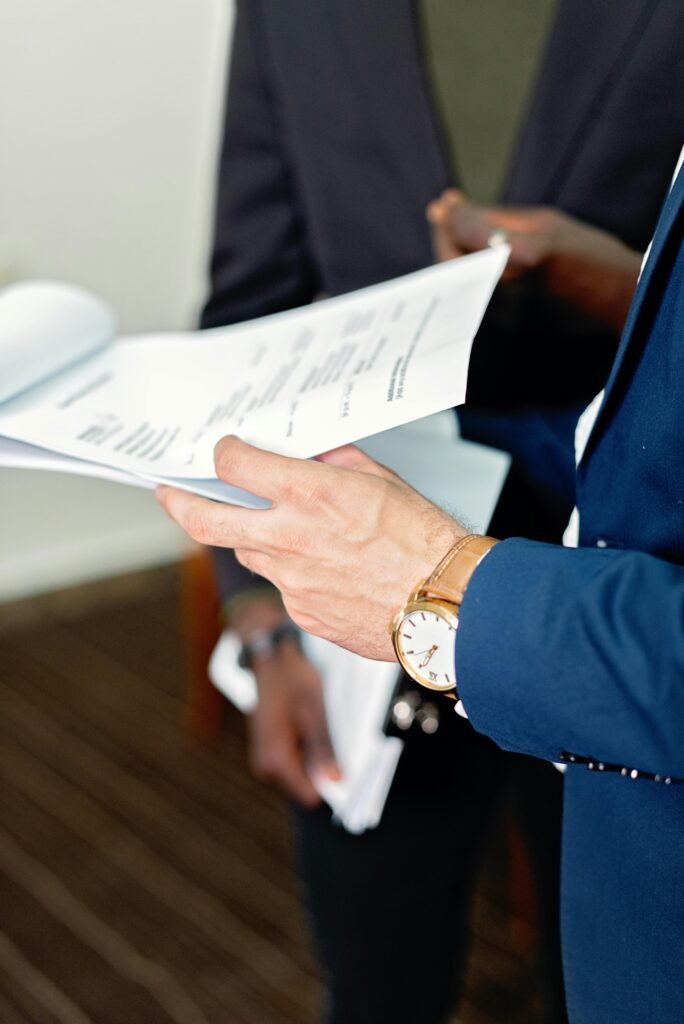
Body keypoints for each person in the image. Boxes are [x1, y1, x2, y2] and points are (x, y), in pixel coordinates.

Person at [199, 2, 684, 1020]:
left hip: (622, 597)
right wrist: (260, 619)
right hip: (349, 601)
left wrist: (621, 287)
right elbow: (251, 302)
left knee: (600, 970)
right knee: (379, 975)